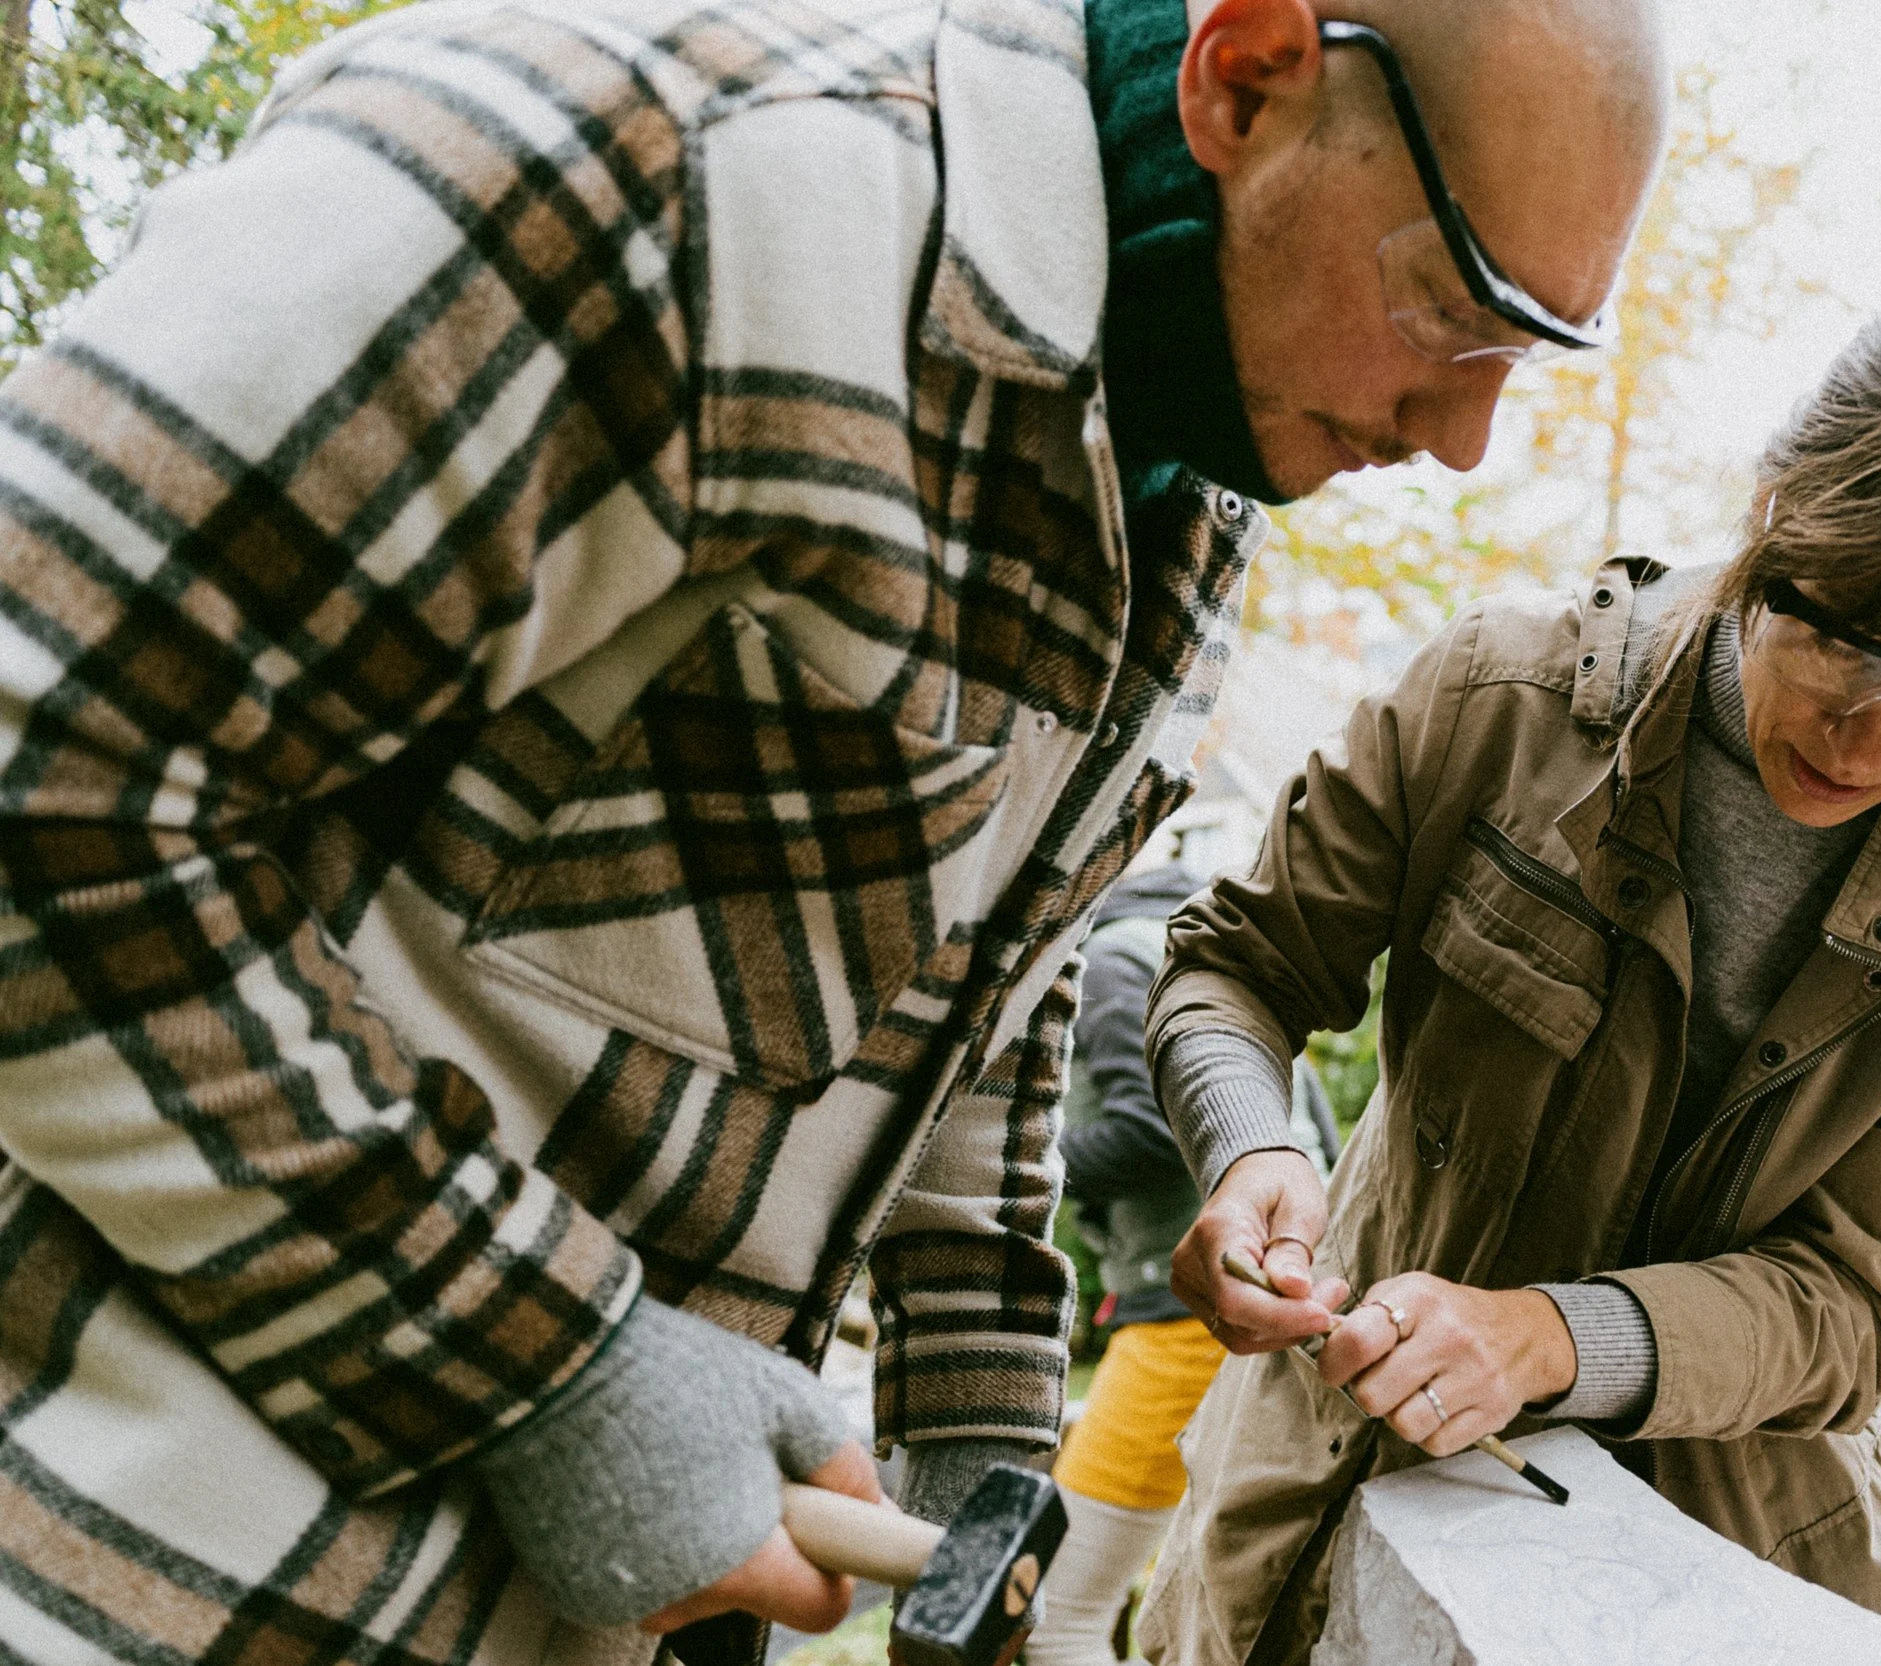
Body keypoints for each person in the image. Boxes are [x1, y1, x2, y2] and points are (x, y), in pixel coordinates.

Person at [0, 0, 1667, 1659]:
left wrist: (987, 1470)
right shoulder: (650, 173)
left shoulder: (1193, 471)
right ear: (1245, 76)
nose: (1464, 439)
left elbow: (968, 1006)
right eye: (1453, 314)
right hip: (149, 1584)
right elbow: (42, 786)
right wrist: (542, 1370)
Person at [1137, 288, 1881, 1665]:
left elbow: (1860, 1301)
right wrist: (1246, 1144)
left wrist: (1549, 1338)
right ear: (1773, 515)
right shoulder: (1495, 702)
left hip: (1744, 1548)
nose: (1876, 731)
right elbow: (1238, 966)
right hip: (1339, 1474)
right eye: (1845, 640)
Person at [1034, 860, 1338, 1666]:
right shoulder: (1195, 958)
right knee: (1184, 1594)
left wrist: (1022, 1159)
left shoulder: (1109, 961)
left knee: (1052, 1613)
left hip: (1197, 1314)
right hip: (1275, 1292)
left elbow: (1151, 1132)